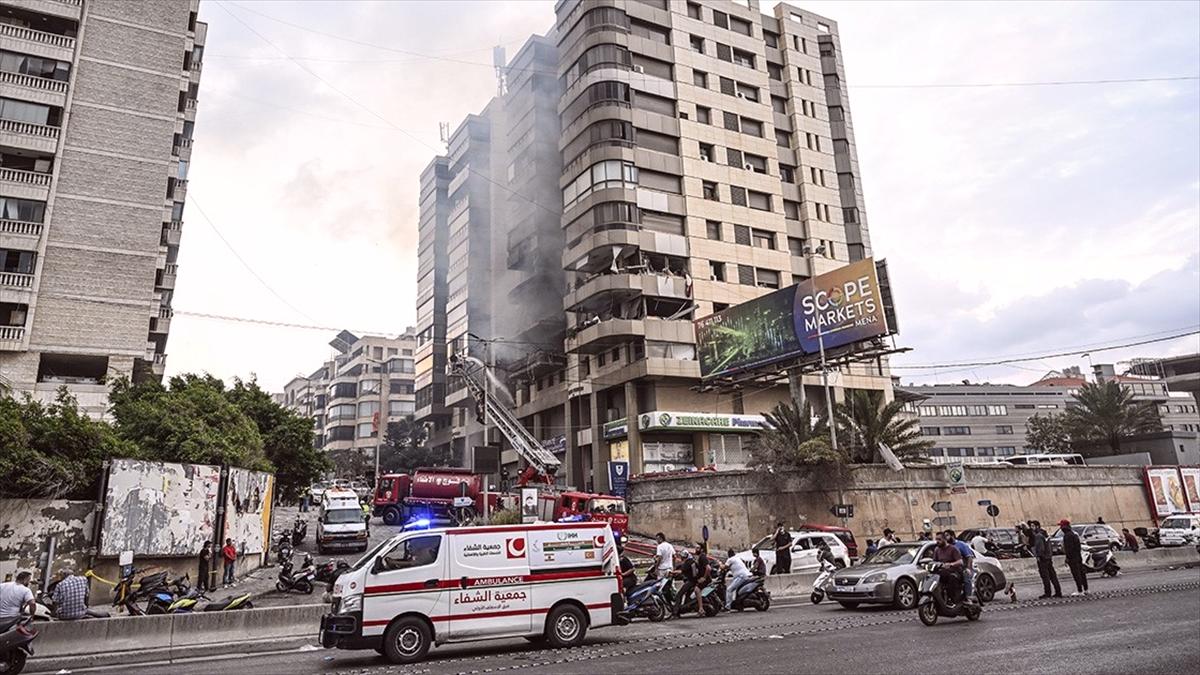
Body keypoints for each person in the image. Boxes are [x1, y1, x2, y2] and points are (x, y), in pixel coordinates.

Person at [675, 545, 709, 617]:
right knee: (687, 594)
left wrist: (671, 572)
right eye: (695, 548)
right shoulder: (693, 560)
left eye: (698, 548)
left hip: (692, 581)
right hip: (694, 580)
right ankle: (685, 607)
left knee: (679, 594)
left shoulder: (689, 562)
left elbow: (681, 571)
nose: (696, 549)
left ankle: (675, 612)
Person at [1031, 521, 1062, 599]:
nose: (1031, 528)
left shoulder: (1038, 536)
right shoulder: (1045, 534)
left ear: (1037, 526)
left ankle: (1047, 592)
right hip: (1048, 558)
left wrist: (1039, 556)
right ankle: (1058, 591)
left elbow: (1040, 548)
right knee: (1052, 576)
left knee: (1045, 576)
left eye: (1032, 526)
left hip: (1043, 559)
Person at [931, 532, 964, 603]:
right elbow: (934, 561)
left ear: (944, 539)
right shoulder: (937, 550)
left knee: (951, 579)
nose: (937, 541)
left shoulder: (953, 549)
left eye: (939, 539)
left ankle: (953, 599)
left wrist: (951, 564)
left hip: (953, 572)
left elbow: (960, 561)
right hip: (942, 572)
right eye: (936, 539)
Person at [945, 530, 975, 602]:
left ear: (952, 536)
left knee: (966, 577)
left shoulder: (961, 545)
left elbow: (969, 557)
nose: (945, 538)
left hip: (962, 568)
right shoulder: (946, 547)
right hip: (952, 570)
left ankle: (968, 597)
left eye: (947, 535)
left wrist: (968, 568)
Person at [1060, 519, 1087, 596]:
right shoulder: (1074, 534)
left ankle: (1080, 590)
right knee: (1082, 573)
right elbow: (1078, 547)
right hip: (1078, 556)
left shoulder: (1067, 536)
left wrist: (1067, 558)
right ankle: (1086, 589)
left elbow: (1069, 549)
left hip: (1072, 558)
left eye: (1061, 526)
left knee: (1076, 574)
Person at [652, 532, 676, 607]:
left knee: (660, 586)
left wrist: (656, 568)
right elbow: (674, 556)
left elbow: (659, 558)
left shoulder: (660, 546)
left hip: (662, 569)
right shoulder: (670, 545)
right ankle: (674, 600)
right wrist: (673, 566)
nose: (657, 540)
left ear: (661, 538)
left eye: (657, 539)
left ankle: (664, 603)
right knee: (671, 585)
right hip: (669, 568)